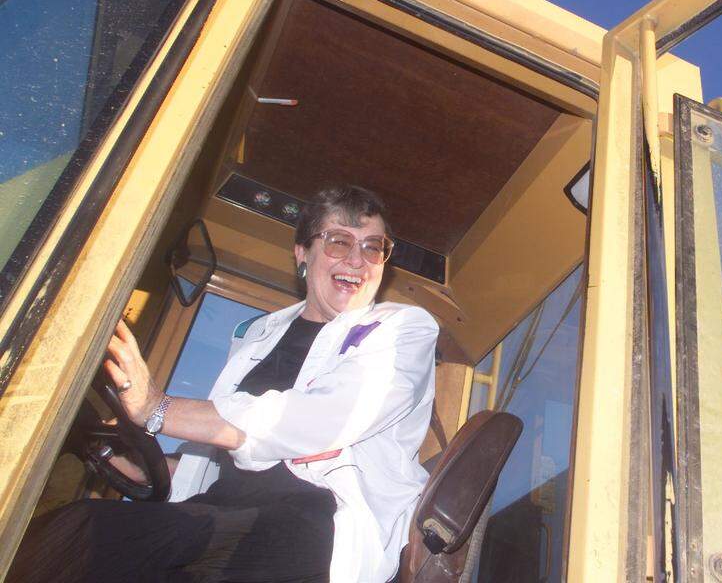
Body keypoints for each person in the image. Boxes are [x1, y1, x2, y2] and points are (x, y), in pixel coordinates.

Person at [11, 184, 439, 582]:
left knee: (85, 531)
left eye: (373, 247)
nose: (356, 260)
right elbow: (222, 460)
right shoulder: (257, 334)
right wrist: (149, 467)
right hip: (226, 511)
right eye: (339, 242)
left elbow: (319, 422)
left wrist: (158, 409)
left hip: (316, 523)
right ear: (302, 254)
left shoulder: (404, 329)